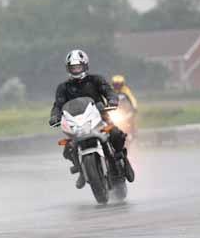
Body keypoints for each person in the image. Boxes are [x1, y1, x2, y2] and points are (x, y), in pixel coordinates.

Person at [48, 50, 135, 188]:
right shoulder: (63, 87)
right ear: (68, 69)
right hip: (77, 124)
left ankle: (121, 158)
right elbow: (58, 105)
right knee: (68, 149)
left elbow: (108, 91)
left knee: (116, 134)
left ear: (85, 65)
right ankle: (81, 170)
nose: (76, 70)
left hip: (101, 118)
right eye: (73, 68)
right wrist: (55, 116)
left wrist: (112, 99)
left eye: (78, 67)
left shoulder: (96, 80)